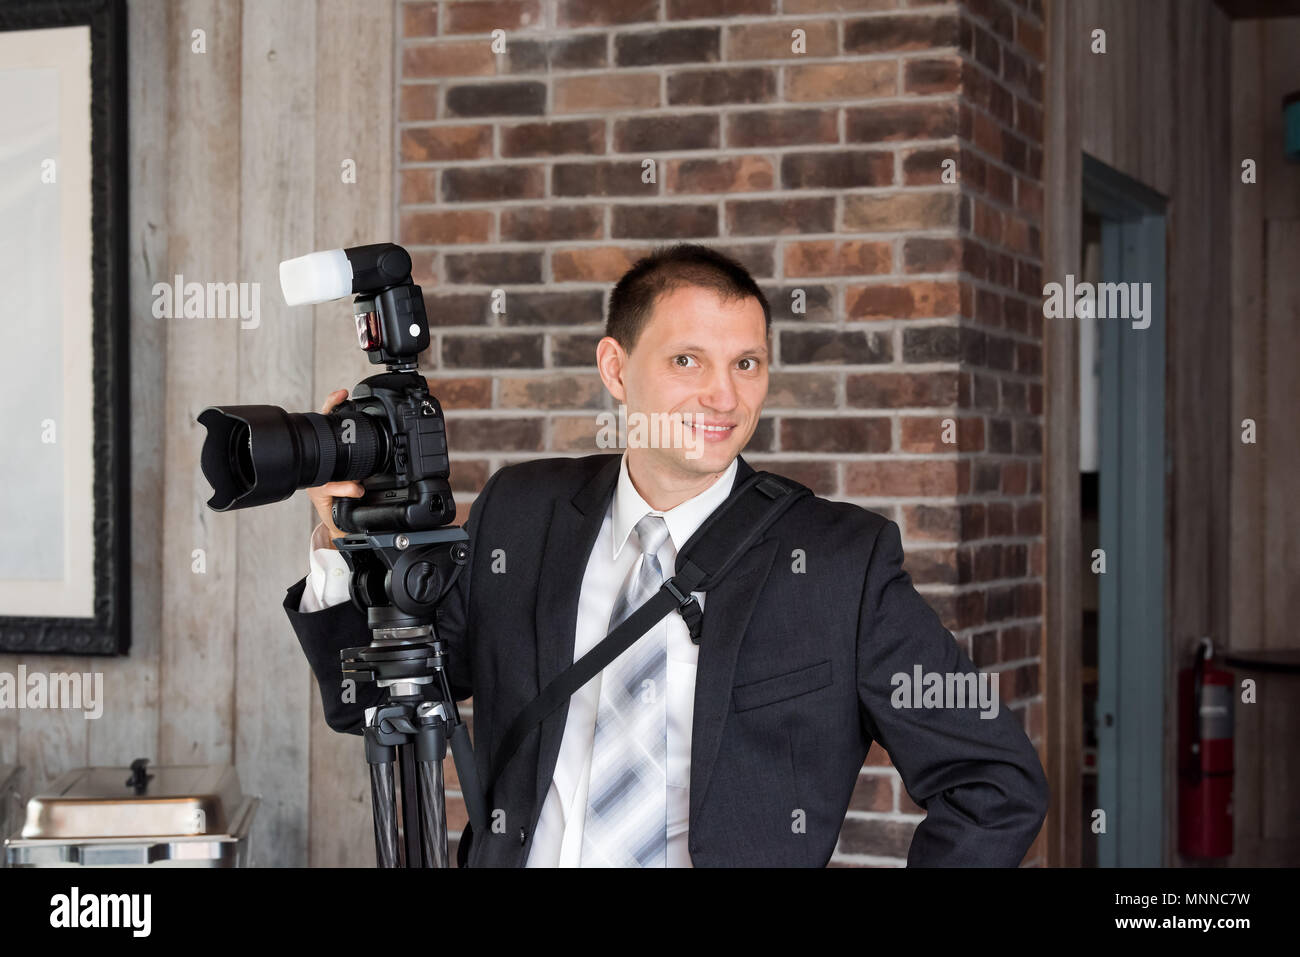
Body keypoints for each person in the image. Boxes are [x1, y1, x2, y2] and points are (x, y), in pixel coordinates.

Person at [283, 243, 1049, 867]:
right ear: (617, 368)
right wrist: (334, 539)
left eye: (746, 363)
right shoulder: (521, 513)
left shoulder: (842, 563)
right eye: (688, 361)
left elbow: (996, 780)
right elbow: (382, 700)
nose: (723, 395)